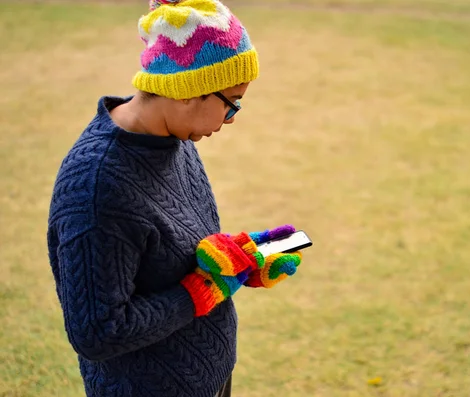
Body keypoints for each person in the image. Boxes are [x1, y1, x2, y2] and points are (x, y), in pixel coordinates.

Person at [46, 0, 303, 396]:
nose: (230, 118)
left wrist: (239, 259)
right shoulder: (97, 187)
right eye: (231, 102)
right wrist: (202, 291)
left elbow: (175, 246)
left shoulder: (172, 137)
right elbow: (98, 332)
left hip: (208, 376)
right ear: (189, 91)